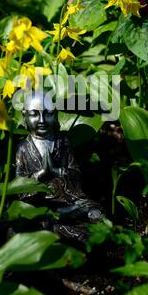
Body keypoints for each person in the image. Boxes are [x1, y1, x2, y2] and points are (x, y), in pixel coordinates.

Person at [14, 91, 105, 240]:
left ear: (55, 115)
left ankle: (61, 223)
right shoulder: (23, 148)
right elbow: (18, 187)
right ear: (25, 116)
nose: (42, 120)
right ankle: (58, 226)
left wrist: (57, 171)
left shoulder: (62, 142)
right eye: (34, 114)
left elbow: (75, 173)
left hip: (66, 199)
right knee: (31, 222)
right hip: (38, 203)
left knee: (96, 213)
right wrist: (40, 175)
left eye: (48, 114)